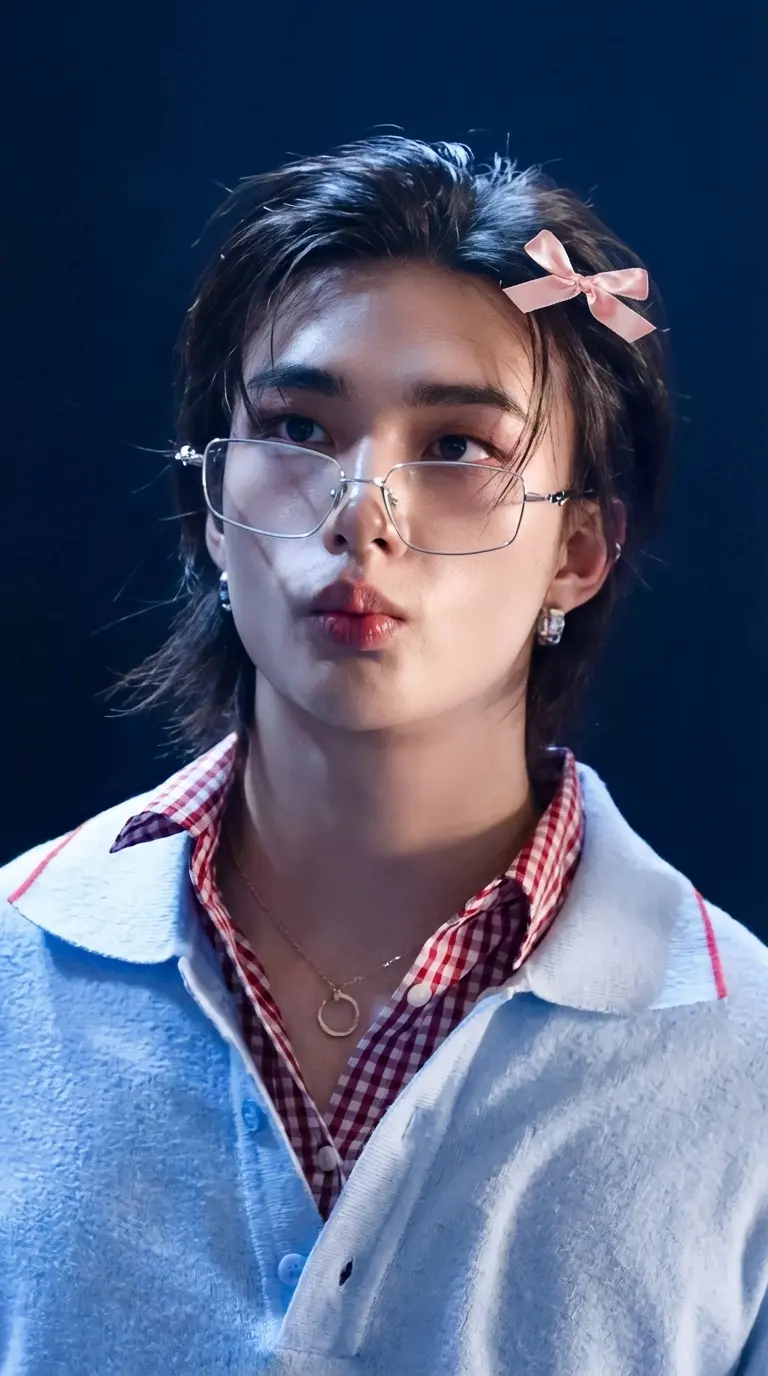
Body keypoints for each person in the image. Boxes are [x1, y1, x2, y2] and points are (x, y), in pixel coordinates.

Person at [1, 136, 766, 1376]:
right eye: (299, 427)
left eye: (456, 446)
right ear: (213, 503)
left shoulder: (746, 1062)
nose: (362, 510)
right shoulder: (13, 968)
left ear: (580, 550)